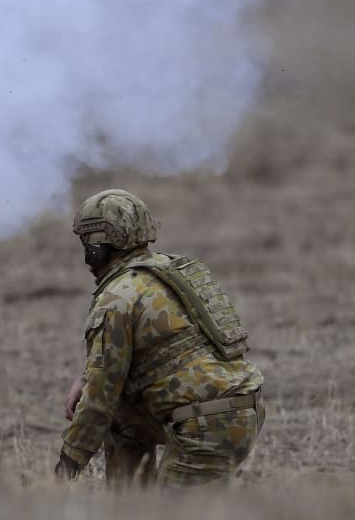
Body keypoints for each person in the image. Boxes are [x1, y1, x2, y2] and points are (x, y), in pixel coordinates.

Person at [56, 189, 264, 487]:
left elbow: (97, 403)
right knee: (120, 419)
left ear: (98, 245)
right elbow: (122, 369)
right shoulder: (169, 271)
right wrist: (86, 378)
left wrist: (64, 470)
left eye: (86, 242)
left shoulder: (117, 296)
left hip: (208, 426)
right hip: (239, 410)